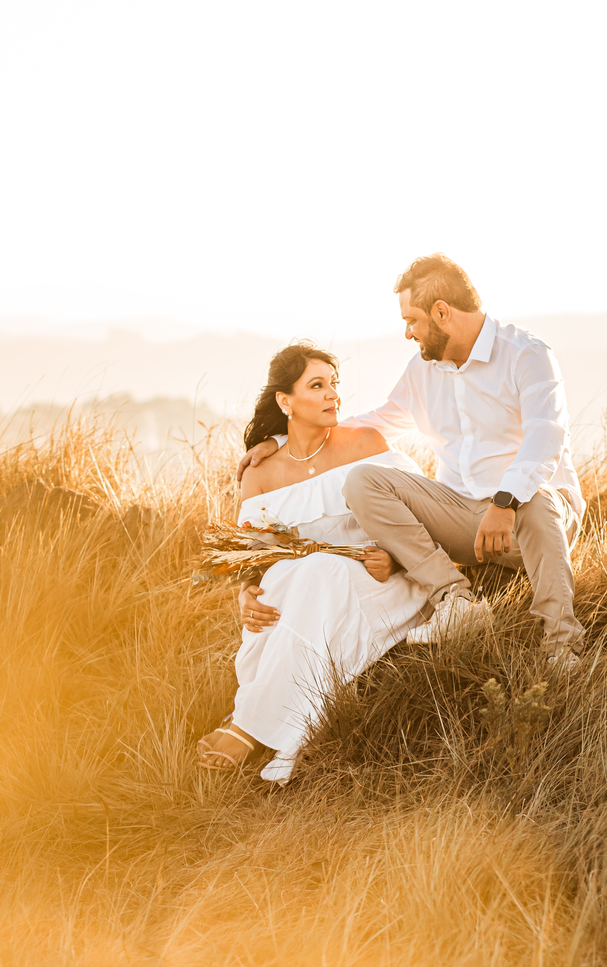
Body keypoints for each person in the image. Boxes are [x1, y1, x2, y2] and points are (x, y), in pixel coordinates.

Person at [239, 255, 585, 667]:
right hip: (462, 519)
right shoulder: (422, 371)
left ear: (442, 312)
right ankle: (456, 600)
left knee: (540, 497)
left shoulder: (527, 355)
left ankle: (562, 645)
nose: (408, 333)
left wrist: (504, 502)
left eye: (413, 321)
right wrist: (281, 438)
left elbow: (546, 437)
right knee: (364, 481)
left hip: (531, 519)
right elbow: (373, 423)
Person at [196, 343, 431, 781]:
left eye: (334, 384)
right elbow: (256, 556)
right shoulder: (261, 471)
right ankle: (268, 725)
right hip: (310, 589)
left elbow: (424, 513)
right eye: (317, 385)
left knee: (317, 571)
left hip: (378, 586)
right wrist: (245, 593)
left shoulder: (366, 444)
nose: (333, 395)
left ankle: (247, 725)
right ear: (285, 401)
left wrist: (397, 559)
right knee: (293, 575)